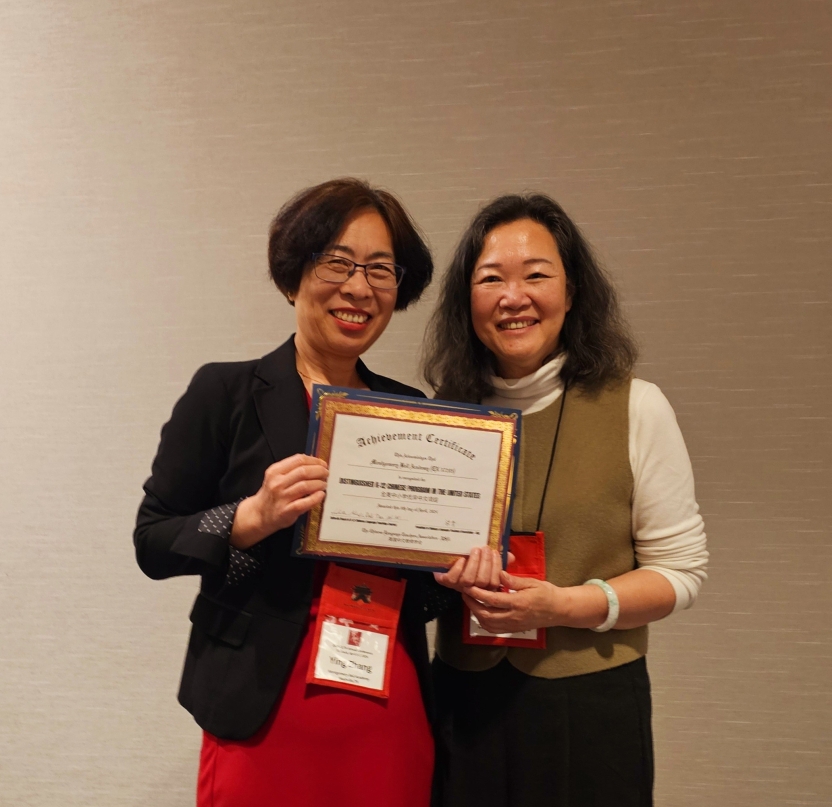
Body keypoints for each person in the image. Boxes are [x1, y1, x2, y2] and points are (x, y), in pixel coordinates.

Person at [134, 178, 439, 807]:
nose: (359, 287)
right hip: (260, 708)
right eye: (337, 262)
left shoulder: (414, 414)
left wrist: (463, 564)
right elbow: (153, 540)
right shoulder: (225, 393)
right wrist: (251, 517)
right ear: (293, 273)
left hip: (387, 702)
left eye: (381, 269)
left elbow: (424, 582)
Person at [423, 193, 708, 807]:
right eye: (490, 278)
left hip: (592, 705)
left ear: (573, 292)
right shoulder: (442, 417)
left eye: (536, 275)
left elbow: (681, 574)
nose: (513, 296)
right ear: (465, 301)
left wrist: (566, 605)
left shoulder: (636, 405)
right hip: (462, 704)